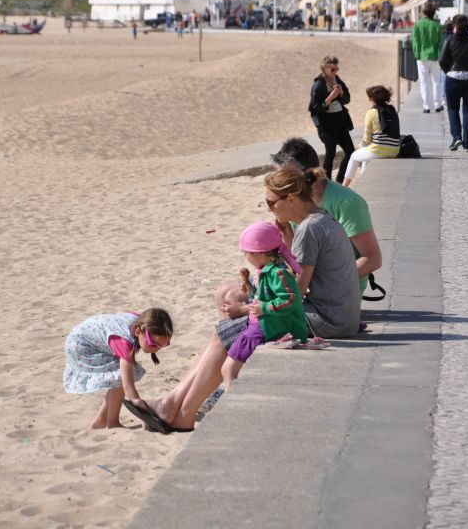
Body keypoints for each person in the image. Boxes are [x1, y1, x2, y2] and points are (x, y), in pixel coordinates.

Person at [137, 170, 361, 433]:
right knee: (226, 325)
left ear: (290, 199)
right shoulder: (320, 219)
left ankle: (181, 411)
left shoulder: (309, 229)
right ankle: (171, 402)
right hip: (339, 314)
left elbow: (296, 292)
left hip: (326, 321)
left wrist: (246, 307)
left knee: (226, 333)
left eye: (271, 202)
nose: (268, 208)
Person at [270, 137, 382, 299]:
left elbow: (373, 258)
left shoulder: (346, 202)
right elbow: (301, 256)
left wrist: (322, 286)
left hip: (340, 293)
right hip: (308, 282)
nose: (281, 186)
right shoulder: (291, 200)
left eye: (287, 179)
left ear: (309, 175)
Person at [221, 222, 308, 388]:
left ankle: (233, 405)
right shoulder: (265, 269)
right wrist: (251, 289)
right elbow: (265, 294)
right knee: (229, 370)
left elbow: (291, 298)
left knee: (228, 371)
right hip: (257, 325)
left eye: (246, 252)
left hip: (262, 329)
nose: (245, 256)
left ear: (259, 253)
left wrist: (265, 308)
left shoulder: (279, 272)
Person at [64, 308, 173, 429]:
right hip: (81, 346)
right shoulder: (123, 342)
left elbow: (122, 312)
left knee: (118, 377)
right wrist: (144, 414)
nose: (157, 349)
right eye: (153, 344)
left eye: (164, 344)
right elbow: (128, 387)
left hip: (88, 336)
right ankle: (112, 423)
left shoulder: (141, 321)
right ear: (137, 332)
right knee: (120, 376)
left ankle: (101, 420)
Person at [439, 13, 468, 152]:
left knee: (453, 108)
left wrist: (448, 71)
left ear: (455, 26)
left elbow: (442, 60)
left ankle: (456, 137)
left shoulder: (449, 39)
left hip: (454, 78)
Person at [308, 55, 355, 182]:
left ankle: (339, 180)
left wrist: (341, 94)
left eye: (336, 69)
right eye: (332, 69)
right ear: (324, 69)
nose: (335, 72)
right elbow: (315, 108)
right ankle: (327, 183)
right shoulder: (318, 84)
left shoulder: (337, 79)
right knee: (330, 154)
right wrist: (330, 97)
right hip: (326, 122)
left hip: (340, 119)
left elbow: (347, 99)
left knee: (351, 151)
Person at [342, 86, 400, 187]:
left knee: (354, 156)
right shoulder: (392, 109)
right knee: (366, 154)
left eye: (369, 97)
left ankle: (344, 186)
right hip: (395, 149)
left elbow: (366, 139)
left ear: (372, 99)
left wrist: (359, 146)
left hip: (379, 149)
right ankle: (363, 180)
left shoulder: (371, 112)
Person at [411, 2, 444, 113]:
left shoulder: (417, 24)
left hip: (421, 56)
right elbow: (441, 42)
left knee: (424, 81)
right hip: (435, 56)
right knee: (436, 81)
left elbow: (414, 41)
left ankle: (426, 106)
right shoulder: (437, 25)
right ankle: (438, 105)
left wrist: (416, 53)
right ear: (434, 13)